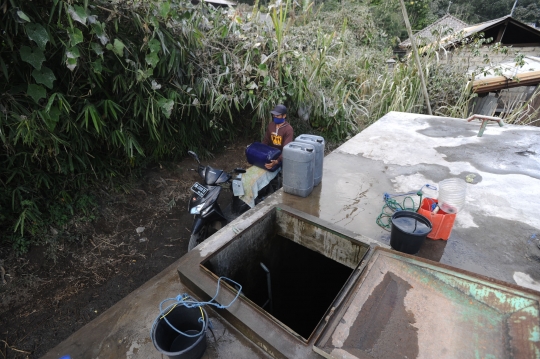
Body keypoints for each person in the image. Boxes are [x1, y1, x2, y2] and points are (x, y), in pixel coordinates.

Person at [262, 104, 294, 170]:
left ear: (284, 116)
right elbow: (266, 141)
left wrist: (277, 161)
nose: (275, 117)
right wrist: (261, 152)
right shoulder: (271, 125)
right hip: (270, 154)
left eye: (278, 115)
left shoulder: (288, 129)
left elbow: (286, 149)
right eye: (274, 115)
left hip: (281, 156)